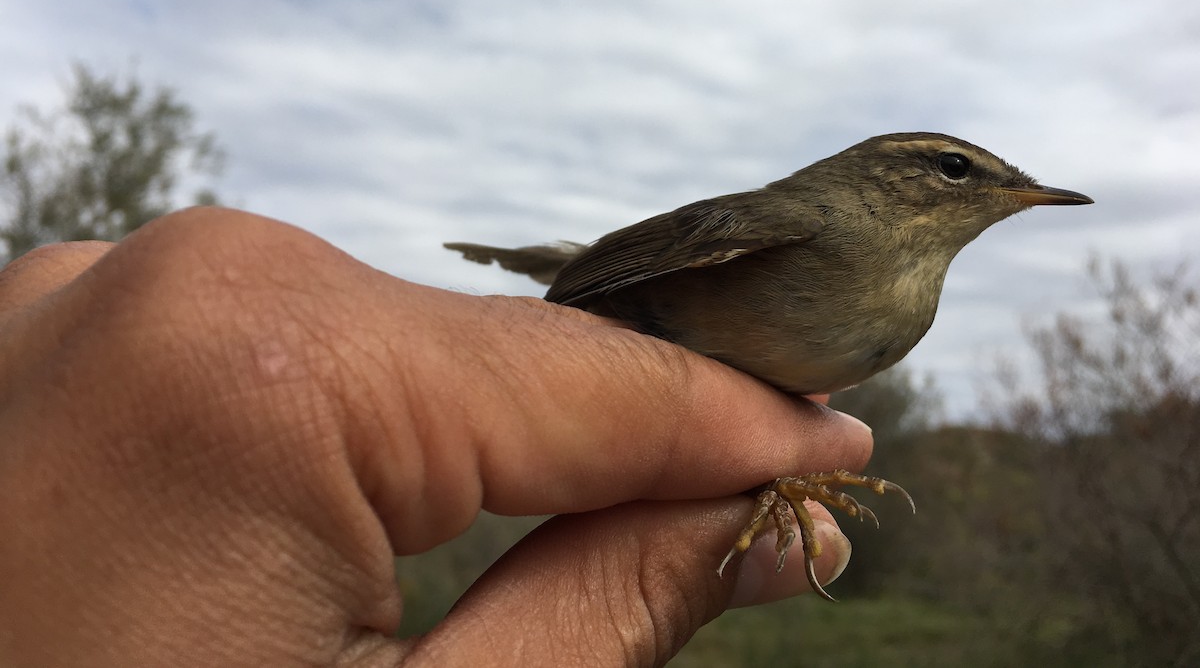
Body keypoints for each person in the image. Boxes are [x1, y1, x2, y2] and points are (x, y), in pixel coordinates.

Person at [0, 207, 873, 667]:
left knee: (756, 441)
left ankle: (775, 484)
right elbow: (660, 254)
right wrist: (573, 287)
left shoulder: (894, 314)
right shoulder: (803, 224)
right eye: (942, 169)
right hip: (637, 317)